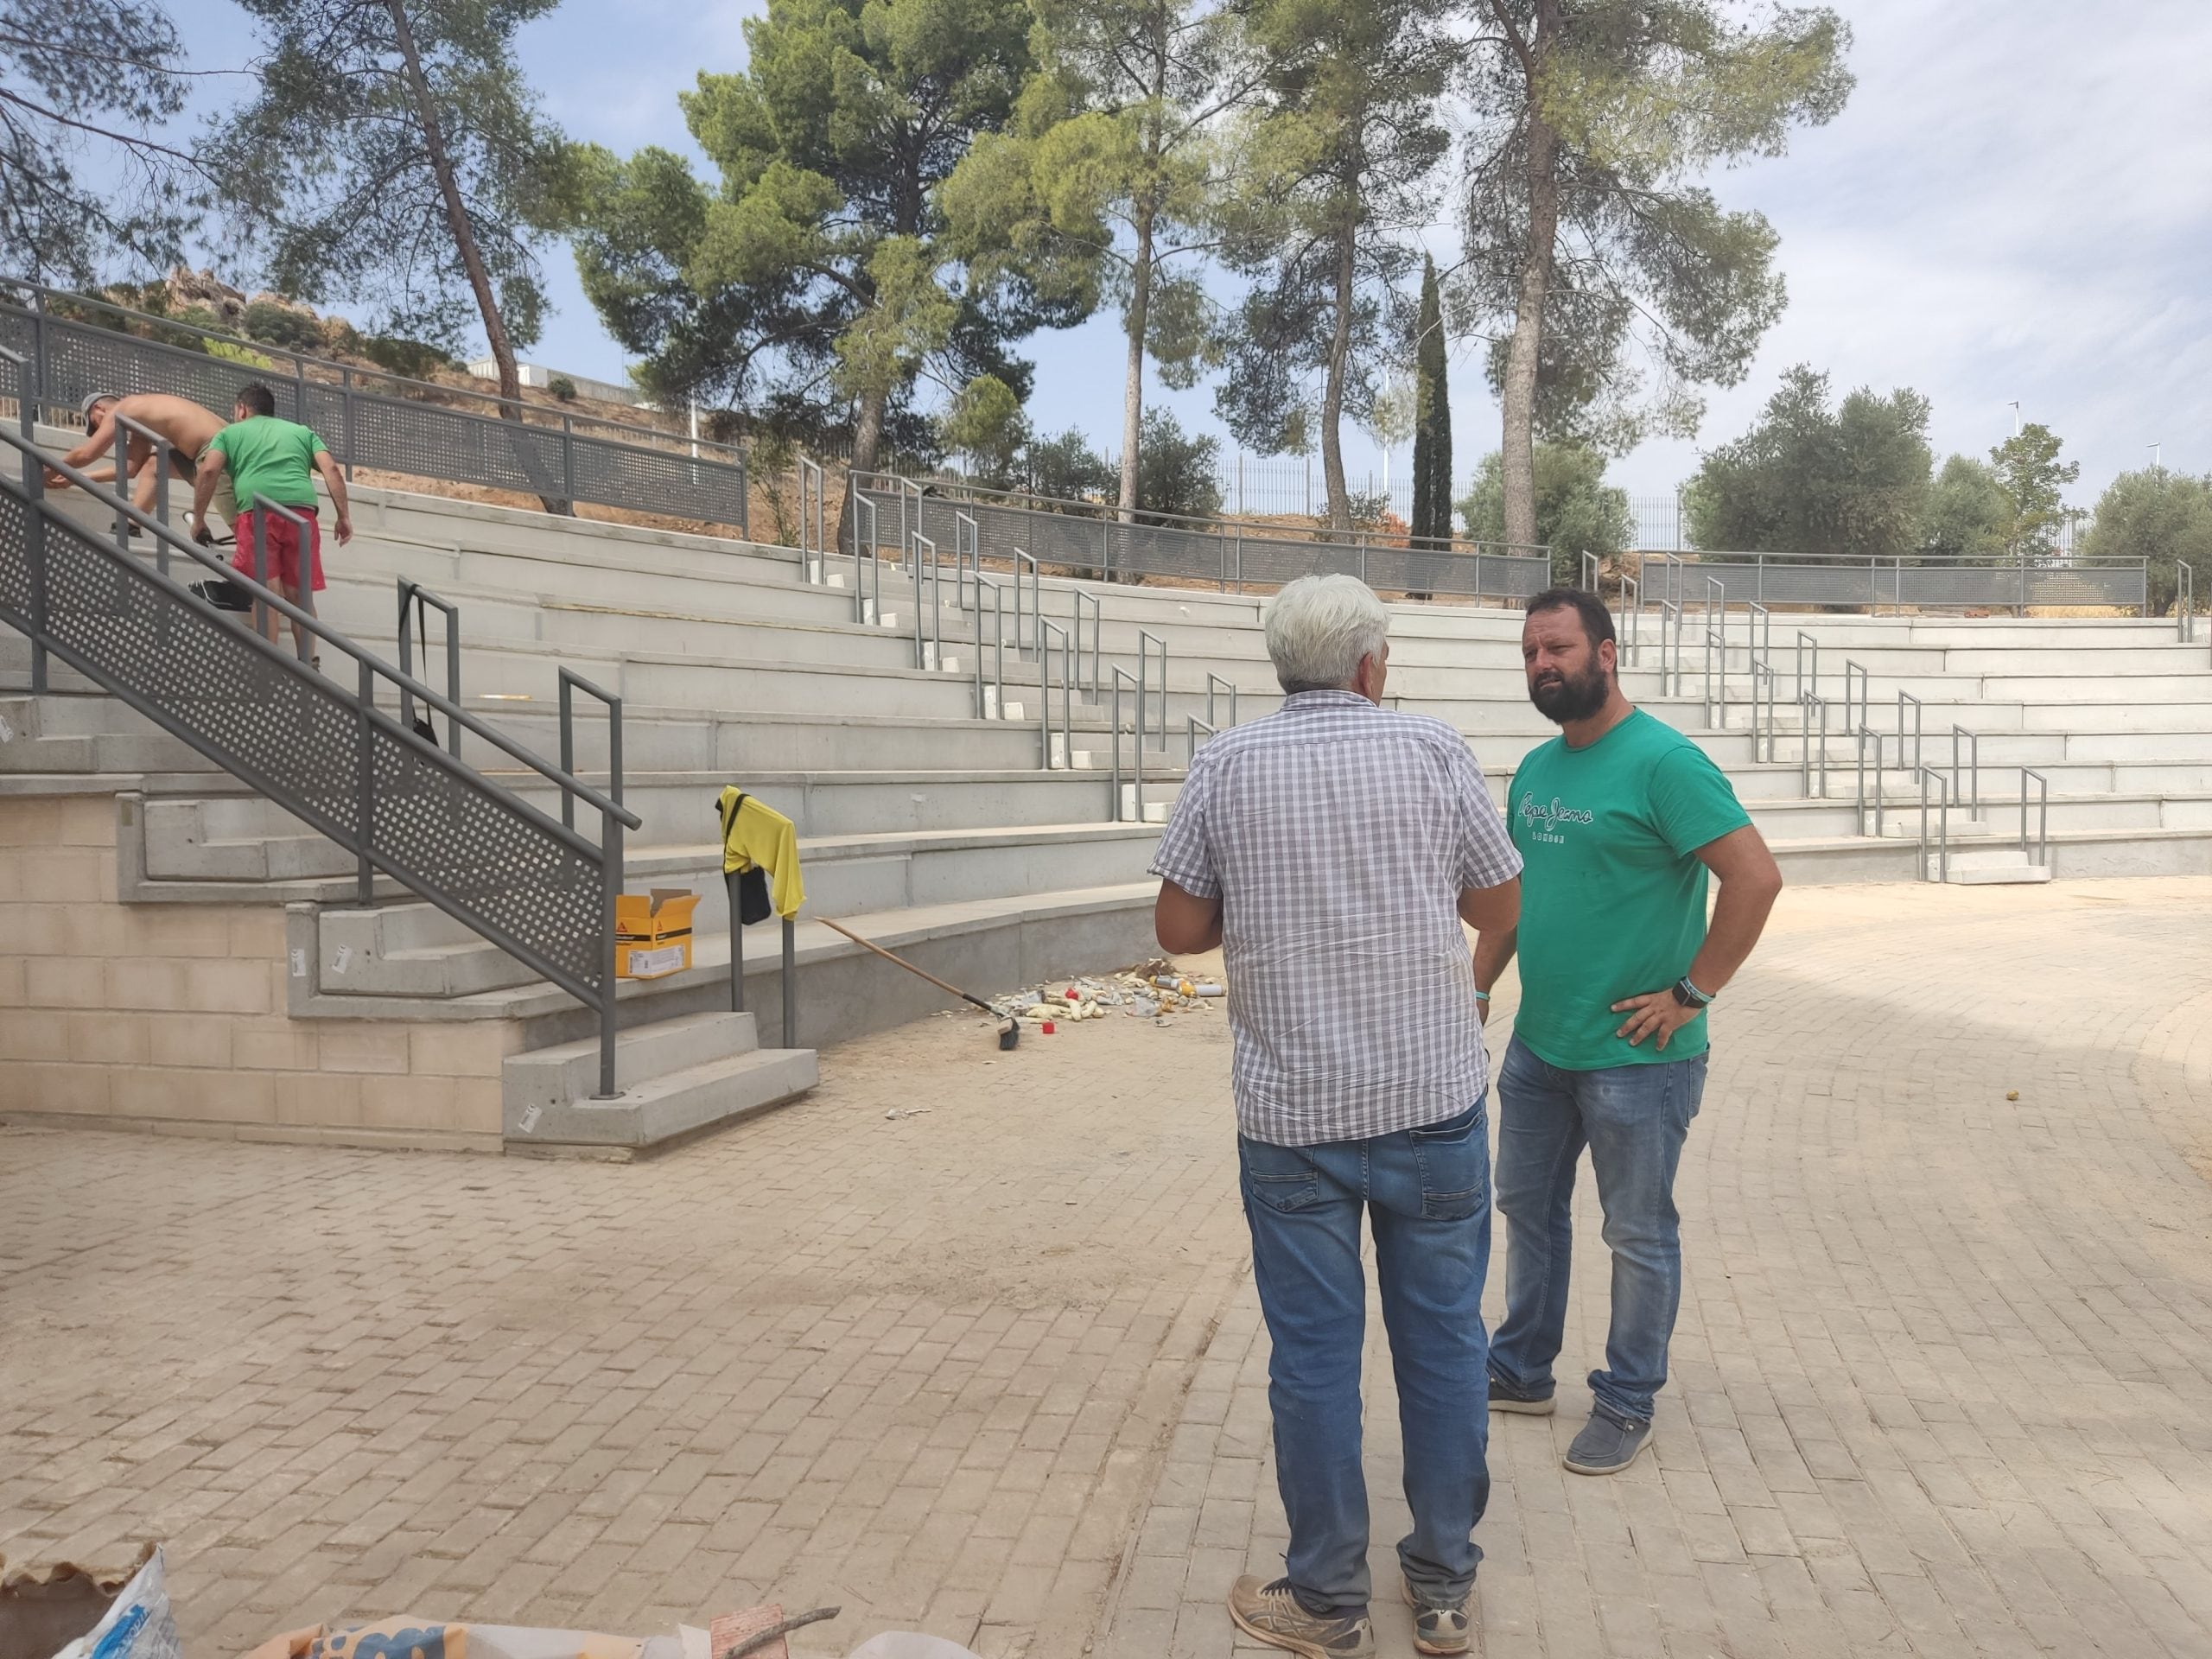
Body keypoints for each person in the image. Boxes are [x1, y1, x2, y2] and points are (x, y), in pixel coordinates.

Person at [1151, 574, 1522, 1659]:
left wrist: (1268, 891)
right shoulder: (1430, 750)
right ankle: (1445, 1591)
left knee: (1313, 1357)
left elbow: (1178, 927)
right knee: (1447, 1347)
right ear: (1369, 666)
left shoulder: (1223, 764)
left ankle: (1325, 1601)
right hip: (1432, 1105)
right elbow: (1497, 904)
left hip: (1292, 1119)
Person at [1474, 588, 1783, 1477]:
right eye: (1531, 652)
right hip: (1541, 1045)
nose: (1543, 665)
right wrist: (1478, 985)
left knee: (1636, 1233)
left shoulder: (1663, 763)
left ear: (1606, 654)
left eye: (1559, 648)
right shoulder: (1536, 769)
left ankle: (1625, 1398)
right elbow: (1511, 894)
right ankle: (1522, 1368)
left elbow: (1754, 879)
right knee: (1527, 1212)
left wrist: (1693, 991)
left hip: (1638, 1061)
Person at [190, 384, 353, 658]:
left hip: (258, 514)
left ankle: (269, 665)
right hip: (301, 516)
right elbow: (332, 470)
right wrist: (343, 517)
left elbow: (208, 470)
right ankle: (307, 667)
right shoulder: (302, 433)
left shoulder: (229, 433)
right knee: (299, 596)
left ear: (241, 409)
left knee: (267, 595)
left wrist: (199, 519)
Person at [46, 391, 237, 539]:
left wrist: (44, 470)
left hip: (216, 451)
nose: (98, 430)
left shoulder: (122, 409)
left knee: (246, 533)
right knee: (154, 464)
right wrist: (77, 479)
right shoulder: (141, 419)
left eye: (95, 424)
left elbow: (86, 454)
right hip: (209, 450)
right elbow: (129, 470)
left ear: (99, 408)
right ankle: (130, 527)